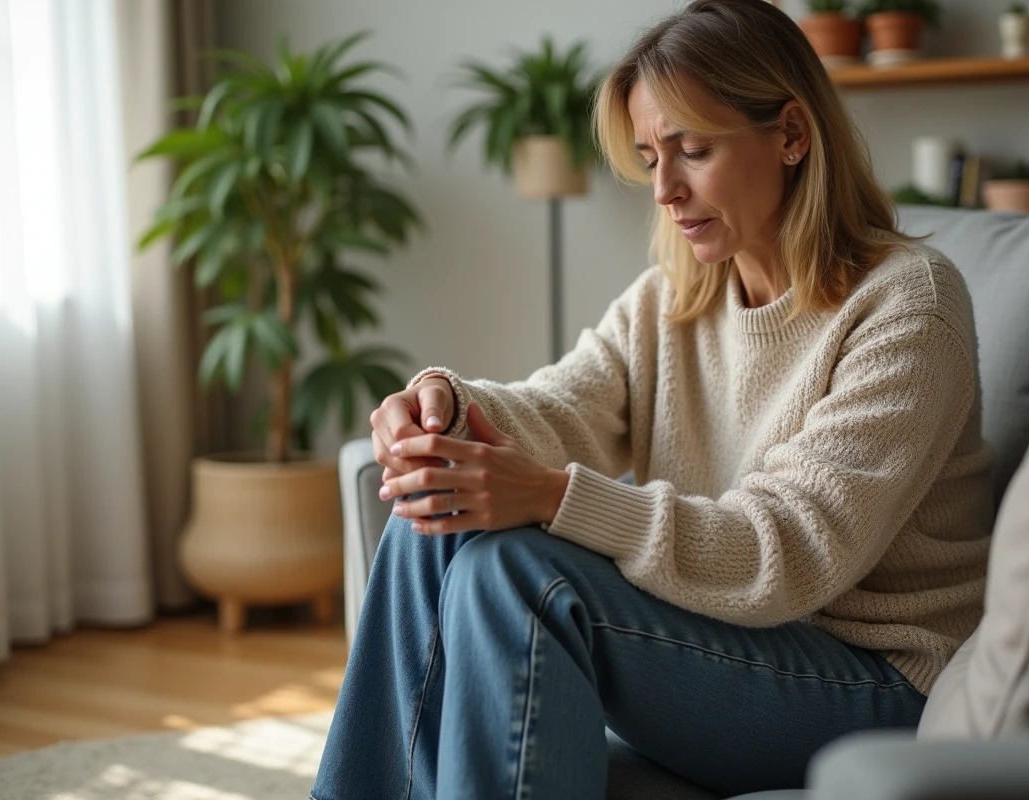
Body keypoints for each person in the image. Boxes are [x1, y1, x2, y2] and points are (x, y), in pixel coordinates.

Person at [311, 0, 993, 797]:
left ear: (792, 135)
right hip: (730, 640)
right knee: (433, 505)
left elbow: (793, 549)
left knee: (526, 572)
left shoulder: (909, 306)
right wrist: (443, 410)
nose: (664, 189)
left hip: (875, 683)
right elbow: (562, 407)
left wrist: (557, 498)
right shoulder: (675, 299)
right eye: (648, 157)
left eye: (692, 151)